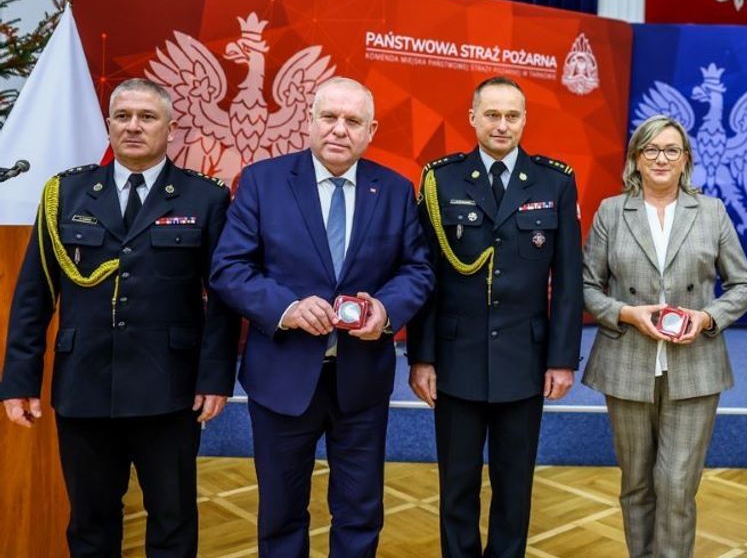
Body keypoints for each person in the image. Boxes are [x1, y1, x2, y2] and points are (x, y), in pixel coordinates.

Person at [0, 78, 239, 558]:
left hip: (168, 390)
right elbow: (34, 296)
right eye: (123, 116)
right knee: (90, 523)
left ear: (170, 129)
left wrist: (216, 379)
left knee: (173, 521)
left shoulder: (204, 198)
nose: (133, 126)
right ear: (108, 124)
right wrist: (18, 381)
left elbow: (224, 300)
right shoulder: (64, 194)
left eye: (147, 117)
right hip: (84, 386)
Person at [209, 77, 433, 558]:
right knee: (282, 513)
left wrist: (386, 309)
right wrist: (284, 308)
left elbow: (417, 269)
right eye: (328, 117)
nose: (339, 129)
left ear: (370, 130)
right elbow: (228, 268)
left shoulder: (394, 190)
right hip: (283, 379)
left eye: (353, 121)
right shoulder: (263, 181)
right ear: (308, 121)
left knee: (359, 512)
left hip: (361, 381)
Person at [407, 76, 584, 558]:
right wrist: (420, 358)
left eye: (511, 115)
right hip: (455, 358)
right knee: (457, 486)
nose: (501, 125)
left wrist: (562, 359)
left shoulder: (555, 181)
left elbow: (569, 280)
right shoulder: (440, 179)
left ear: (525, 119)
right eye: (491, 114)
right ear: (472, 118)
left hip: (524, 363)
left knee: (514, 486)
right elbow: (425, 278)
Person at [580, 115, 747, 558]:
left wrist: (708, 318)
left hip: (696, 367)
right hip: (626, 366)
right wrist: (625, 312)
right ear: (636, 160)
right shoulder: (610, 211)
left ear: (686, 161)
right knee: (636, 484)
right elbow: (585, 287)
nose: (661, 158)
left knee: (676, 487)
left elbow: (744, 286)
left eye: (671, 150)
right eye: (651, 150)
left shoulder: (711, 211)